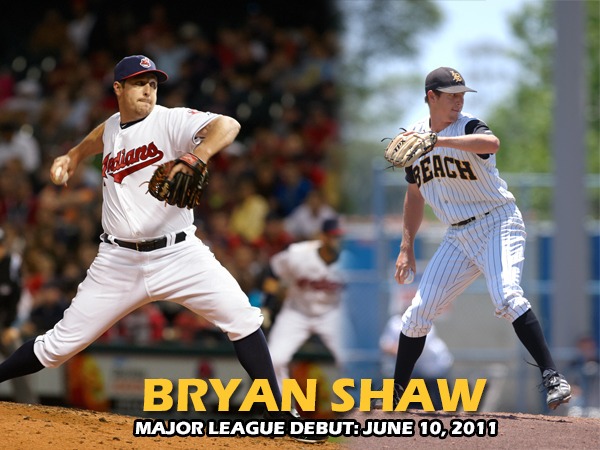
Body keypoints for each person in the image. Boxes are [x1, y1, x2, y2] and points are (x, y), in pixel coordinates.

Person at [0, 55, 326, 443]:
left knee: (243, 317)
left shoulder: (169, 120)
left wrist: (195, 155)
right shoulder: (111, 129)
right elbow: (97, 136)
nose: (148, 90)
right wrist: (71, 156)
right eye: (139, 83)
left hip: (179, 255)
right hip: (117, 261)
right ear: (118, 89)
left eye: (153, 83)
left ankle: (280, 413)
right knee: (56, 348)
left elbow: (229, 125)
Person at [389, 67, 571, 411]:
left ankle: (552, 376)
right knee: (417, 314)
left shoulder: (469, 125)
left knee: (506, 296)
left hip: (498, 223)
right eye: (451, 94)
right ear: (431, 96)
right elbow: (414, 195)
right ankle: (395, 396)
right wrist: (406, 246)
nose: (459, 100)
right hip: (457, 235)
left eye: (462, 94)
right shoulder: (413, 138)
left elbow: (491, 143)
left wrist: (438, 141)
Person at [264, 218, 346, 389]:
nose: (337, 241)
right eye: (333, 237)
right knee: (274, 359)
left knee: (352, 359)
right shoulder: (298, 254)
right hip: (296, 312)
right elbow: (273, 271)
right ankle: (283, 410)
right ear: (322, 237)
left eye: (340, 237)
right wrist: (267, 305)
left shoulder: (351, 259)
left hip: (332, 314)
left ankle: (359, 409)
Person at [380, 315, 453, 410]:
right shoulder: (395, 322)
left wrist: (401, 349)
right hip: (413, 373)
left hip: (433, 370)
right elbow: (385, 345)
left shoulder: (425, 323)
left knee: (437, 404)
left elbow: (418, 348)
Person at [0, 227, 38, 404]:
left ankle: (28, 405)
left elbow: (21, 299)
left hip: (7, 323)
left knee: (18, 360)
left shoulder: (11, 264)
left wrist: (14, 326)